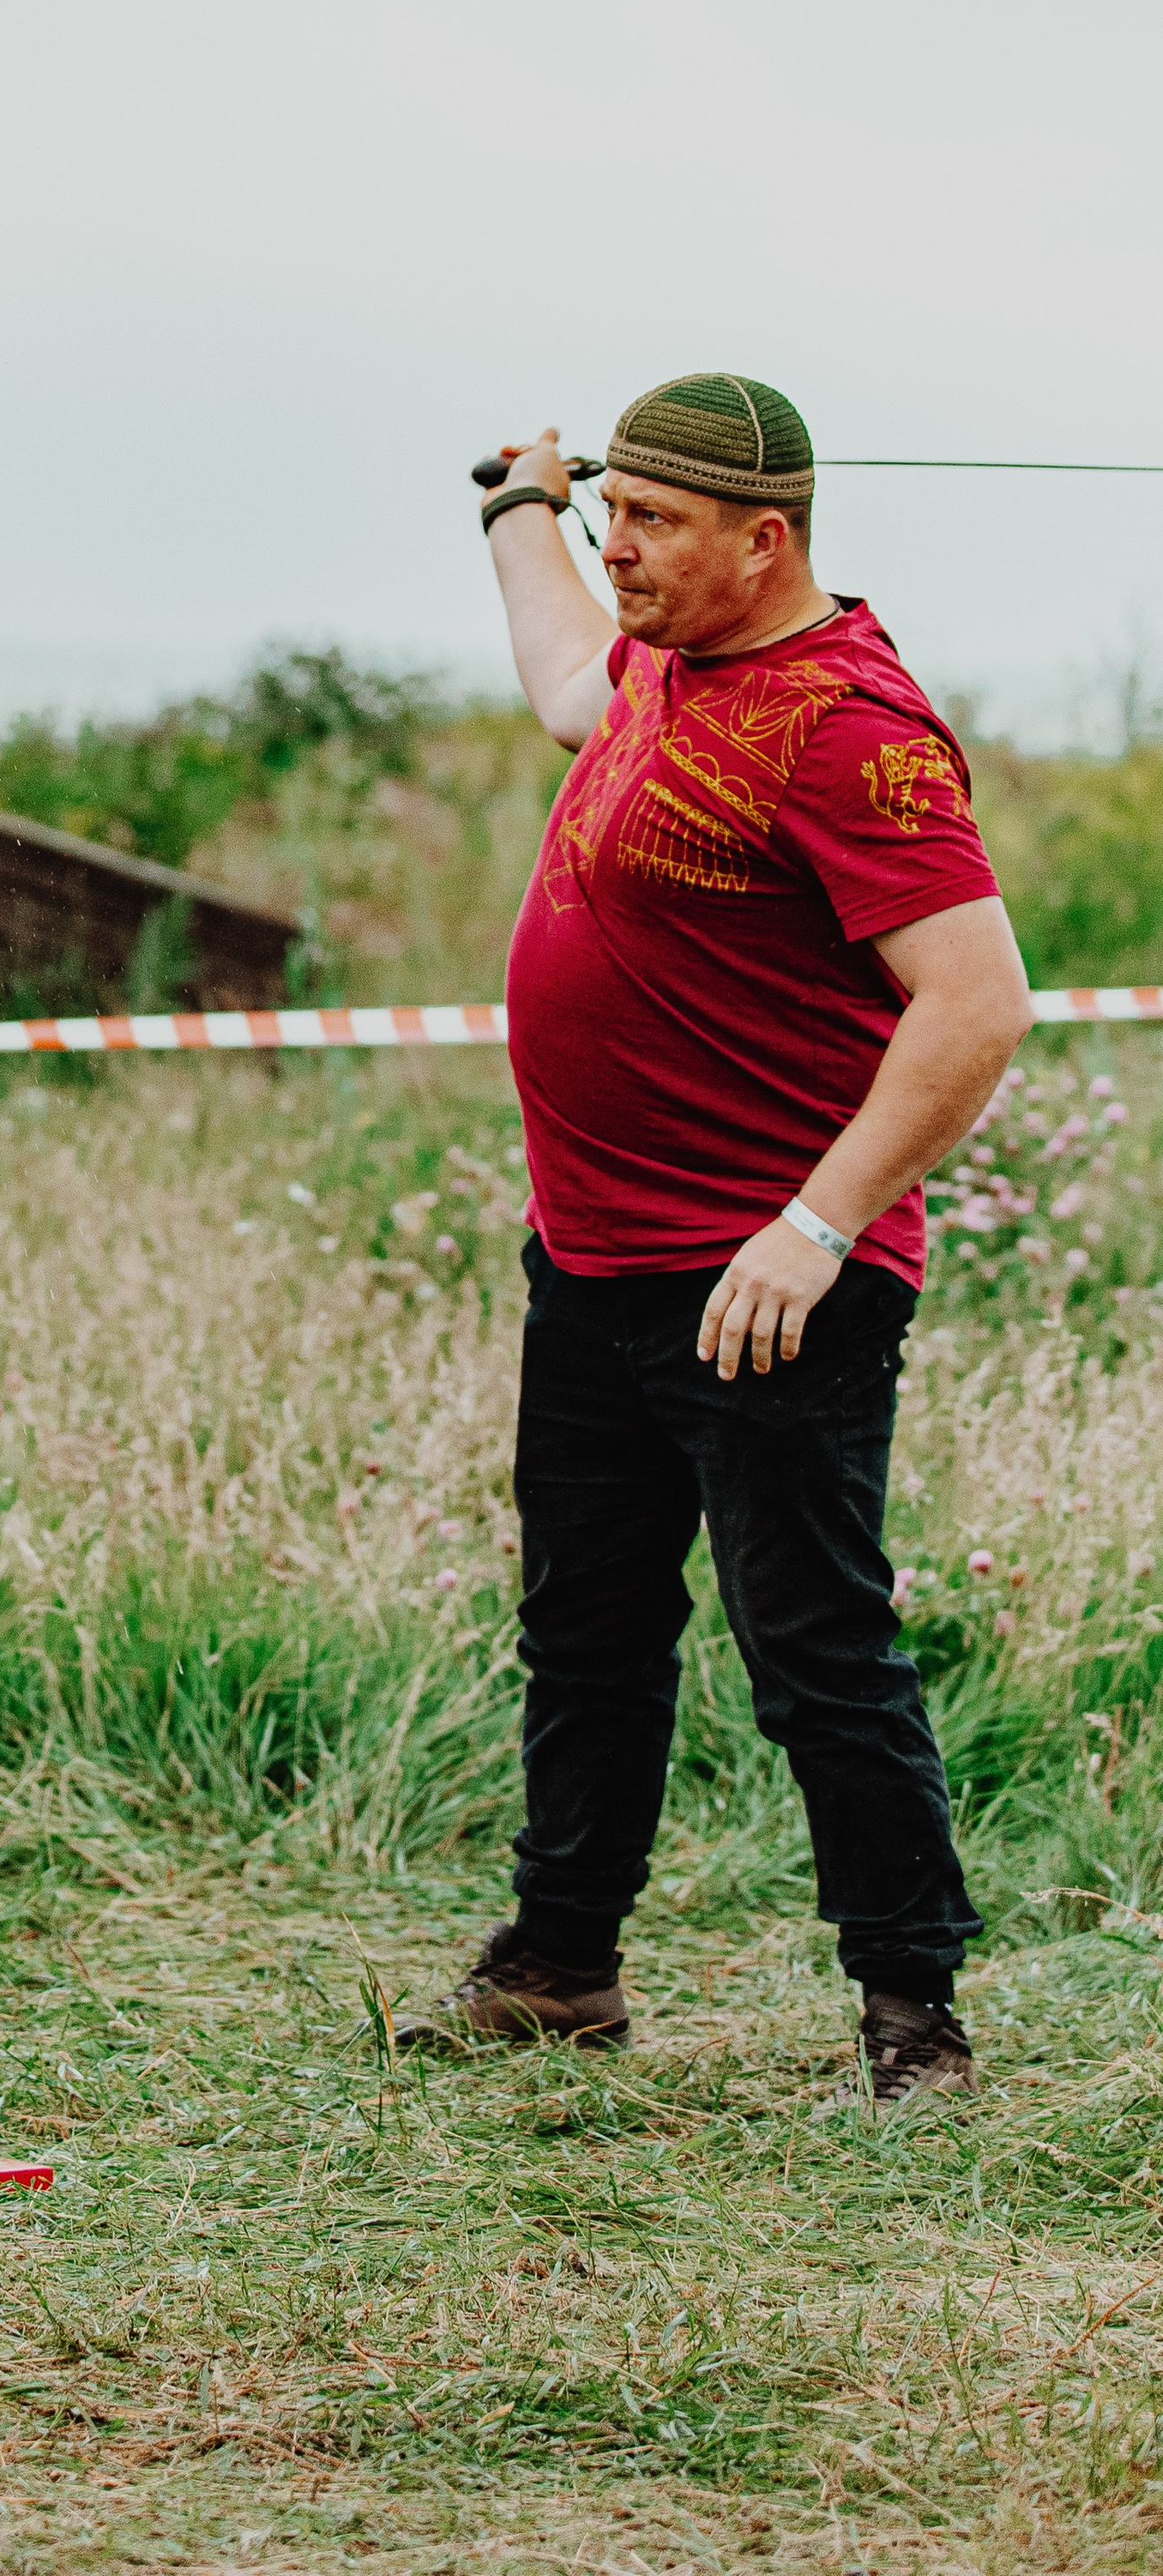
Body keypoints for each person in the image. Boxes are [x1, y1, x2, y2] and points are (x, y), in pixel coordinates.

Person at [406, 373, 1032, 2109]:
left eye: (653, 527)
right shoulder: (661, 666)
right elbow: (553, 681)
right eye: (612, 520)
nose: (619, 553)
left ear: (764, 541)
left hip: (763, 1285)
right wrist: (512, 510)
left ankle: (915, 2021)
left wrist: (815, 1229)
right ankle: (557, 1967)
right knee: (585, 1628)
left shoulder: (847, 727)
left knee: (812, 1649)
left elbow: (973, 1005)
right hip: (592, 1260)